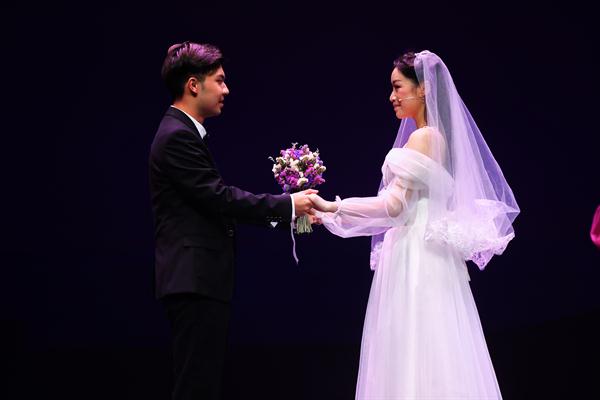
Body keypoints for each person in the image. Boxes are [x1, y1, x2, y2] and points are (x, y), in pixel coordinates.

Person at [310, 50, 520, 399]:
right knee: (434, 347)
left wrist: (334, 206)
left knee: (414, 345)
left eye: (398, 87)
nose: (391, 96)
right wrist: (333, 214)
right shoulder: (434, 137)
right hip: (425, 250)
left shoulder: (423, 137)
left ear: (422, 89)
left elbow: (394, 207)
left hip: (417, 254)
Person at [149, 41, 316, 400]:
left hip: (200, 280)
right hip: (193, 279)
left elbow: (215, 205)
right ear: (194, 85)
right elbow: (219, 198)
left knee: (202, 382)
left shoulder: (183, 132)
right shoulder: (177, 136)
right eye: (220, 80)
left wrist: (290, 214)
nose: (226, 90)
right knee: (196, 385)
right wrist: (288, 205)